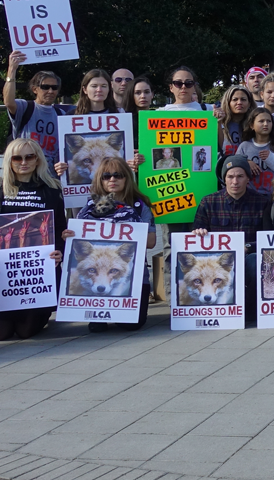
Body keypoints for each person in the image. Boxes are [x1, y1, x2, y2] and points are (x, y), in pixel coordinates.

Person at [73, 157, 157, 331]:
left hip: (134, 277)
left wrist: (130, 228)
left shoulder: (140, 206)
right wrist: (69, 235)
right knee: (96, 328)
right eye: (106, 176)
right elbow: (77, 243)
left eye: (118, 175)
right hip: (97, 275)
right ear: (99, 180)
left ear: (126, 177)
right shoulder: (88, 208)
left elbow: (151, 242)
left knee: (131, 325)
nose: (112, 180)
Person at [192, 155, 270, 320]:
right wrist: (198, 233)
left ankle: (250, 311)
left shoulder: (262, 202)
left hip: (249, 256)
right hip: (217, 261)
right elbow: (195, 239)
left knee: (256, 261)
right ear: (224, 179)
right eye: (231, 176)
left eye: (240, 176)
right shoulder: (208, 202)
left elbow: (267, 238)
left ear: (248, 178)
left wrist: (248, 247)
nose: (235, 181)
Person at [0, 139, 64, 340]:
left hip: (39, 273)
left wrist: (59, 252)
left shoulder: (51, 190)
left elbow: (60, 228)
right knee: (3, 334)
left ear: (38, 160)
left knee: (25, 332)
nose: (23, 162)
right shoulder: (1, 191)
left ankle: (40, 313)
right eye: (17, 158)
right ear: (9, 161)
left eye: (29, 156)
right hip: (7, 275)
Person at [4, 53, 70, 168]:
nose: (50, 91)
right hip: (25, 169)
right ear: (35, 89)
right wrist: (12, 69)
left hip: (50, 174)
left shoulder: (62, 114)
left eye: (54, 88)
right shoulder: (25, 107)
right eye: (45, 87)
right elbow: (9, 102)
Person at [237, 108, 274, 196]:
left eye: (269, 121)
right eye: (261, 121)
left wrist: (271, 159)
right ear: (252, 125)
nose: (266, 124)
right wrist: (246, 162)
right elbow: (236, 167)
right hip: (251, 197)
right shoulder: (244, 146)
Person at [216, 84, 254, 157]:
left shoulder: (255, 124)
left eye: (243, 99)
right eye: (235, 99)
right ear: (228, 103)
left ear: (249, 103)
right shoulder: (218, 123)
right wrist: (218, 123)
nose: (239, 102)